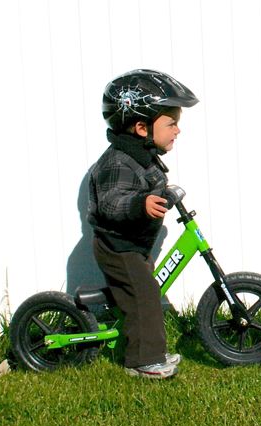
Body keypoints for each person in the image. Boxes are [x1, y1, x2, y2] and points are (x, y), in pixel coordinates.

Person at [88, 69, 198, 379]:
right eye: (171, 123)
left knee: (142, 292)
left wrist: (163, 194)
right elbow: (112, 201)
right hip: (118, 247)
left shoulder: (140, 155)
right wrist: (140, 203)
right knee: (145, 296)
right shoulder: (117, 161)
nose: (178, 130)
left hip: (132, 244)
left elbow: (146, 185)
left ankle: (149, 349)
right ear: (140, 127)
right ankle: (143, 361)